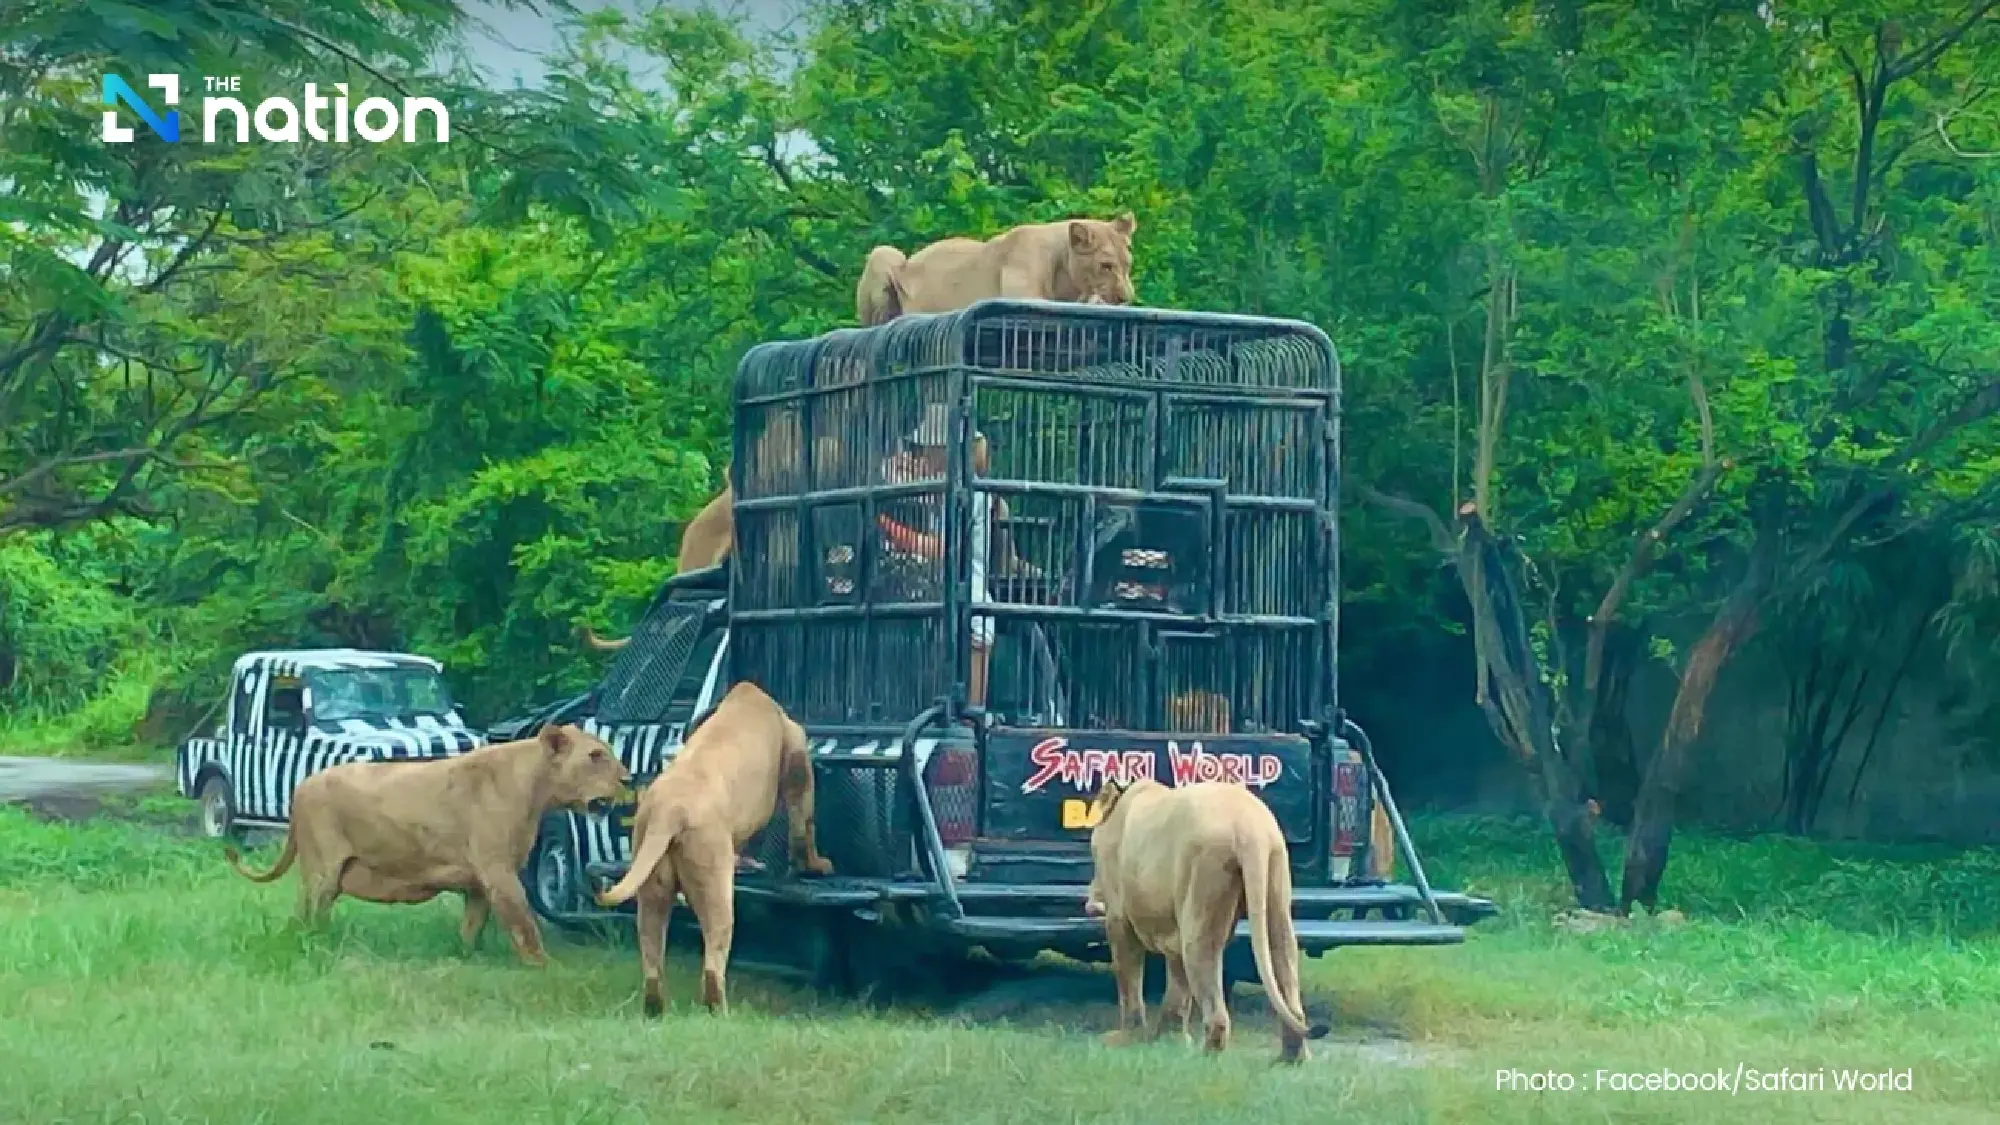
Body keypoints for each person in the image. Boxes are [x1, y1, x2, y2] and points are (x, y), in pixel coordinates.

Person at [875, 403, 1025, 706]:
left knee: (979, 620)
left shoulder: (974, 493)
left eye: (927, 449)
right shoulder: (939, 487)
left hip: (966, 577)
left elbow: (946, 548)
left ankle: (972, 710)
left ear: (946, 451)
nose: (921, 455)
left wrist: (893, 530)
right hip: (932, 581)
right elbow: (890, 475)